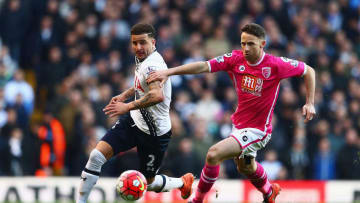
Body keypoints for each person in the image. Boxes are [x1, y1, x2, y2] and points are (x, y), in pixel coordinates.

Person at [147, 23, 316, 203]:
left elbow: (309, 71)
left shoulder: (275, 65)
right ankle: (269, 192)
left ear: (262, 44)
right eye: (243, 43)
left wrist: (310, 102)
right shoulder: (235, 59)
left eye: (251, 44)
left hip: (258, 130)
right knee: (246, 168)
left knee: (213, 154)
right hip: (239, 125)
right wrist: (169, 72)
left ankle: (197, 200)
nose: (246, 48)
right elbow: (203, 66)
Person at [76, 23, 194, 203]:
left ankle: (181, 182)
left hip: (154, 134)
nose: (138, 47)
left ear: (153, 42)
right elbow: (142, 84)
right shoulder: (144, 59)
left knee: (149, 182)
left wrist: (126, 106)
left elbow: (157, 95)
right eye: (134, 43)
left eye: (142, 43)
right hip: (134, 121)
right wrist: (124, 95)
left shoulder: (152, 65)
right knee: (96, 156)